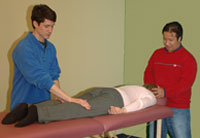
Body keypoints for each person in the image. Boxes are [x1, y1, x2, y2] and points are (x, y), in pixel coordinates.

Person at [10, 4, 89, 110]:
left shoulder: (51, 48)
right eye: (46, 26)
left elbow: (54, 75)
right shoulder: (23, 48)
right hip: (22, 108)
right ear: (35, 24)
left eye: (52, 26)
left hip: (43, 108)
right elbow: (40, 78)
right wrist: (70, 99)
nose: (50, 30)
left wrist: (59, 95)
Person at [2, 84, 157, 127]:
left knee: (72, 101)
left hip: (105, 89)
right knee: (80, 109)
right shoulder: (150, 94)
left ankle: (27, 108)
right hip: (115, 99)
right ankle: (37, 113)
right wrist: (123, 110)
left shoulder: (134, 86)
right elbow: (143, 102)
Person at [144, 21, 197, 138]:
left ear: (180, 38)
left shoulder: (188, 59)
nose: (167, 43)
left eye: (170, 40)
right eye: (164, 39)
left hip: (178, 108)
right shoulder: (157, 54)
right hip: (157, 105)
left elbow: (185, 84)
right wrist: (152, 90)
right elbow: (148, 73)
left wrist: (165, 92)